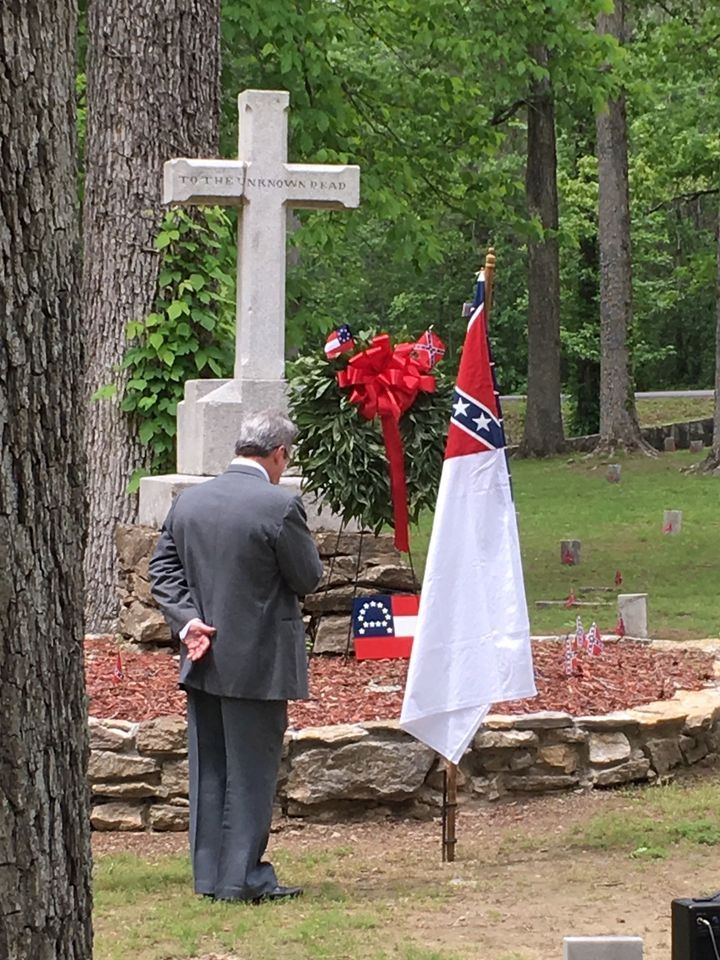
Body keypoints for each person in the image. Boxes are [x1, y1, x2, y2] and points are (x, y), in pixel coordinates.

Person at [149, 409, 323, 903]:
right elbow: (307, 577)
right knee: (251, 770)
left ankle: (210, 875)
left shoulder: (190, 503)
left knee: (211, 769)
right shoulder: (279, 507)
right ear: (277, 455)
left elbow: (162, 570)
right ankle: (242, 878)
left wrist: (187, 623)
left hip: (203, 655)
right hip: (259, 660)